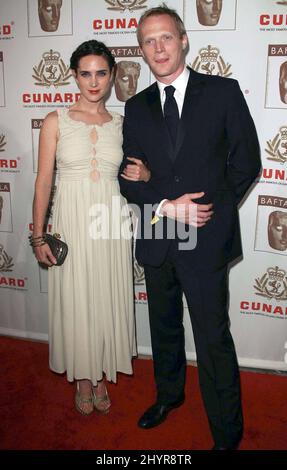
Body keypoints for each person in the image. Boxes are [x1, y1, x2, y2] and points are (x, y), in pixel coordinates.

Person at [119, 4, 261, 449]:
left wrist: (206, 212)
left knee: (212, 337)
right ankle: (169, 396)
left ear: (183, 40)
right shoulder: (136, 107)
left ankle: (227, 431)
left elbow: (247, 163)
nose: (158, 48)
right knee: (163, 328)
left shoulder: (222, 92)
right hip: (159, 235)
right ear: (141, 50)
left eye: (165, 37)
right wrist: (165, 203)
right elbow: (128, 177)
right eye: (148, 41)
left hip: (205, 237)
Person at [31, 40, 150, 415]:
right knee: (77, 296)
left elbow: (136, 176)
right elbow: (43, 182)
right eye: (85, 73)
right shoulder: (55, 120)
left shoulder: (122, 124)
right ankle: (83, 378)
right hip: (72, 219)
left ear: (113, 75)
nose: (94, 82)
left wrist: (145, 174)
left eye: (101, 73)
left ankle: (99, 373)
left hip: (110, 222)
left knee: (105, 292)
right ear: (73, 75)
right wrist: (38, 236)